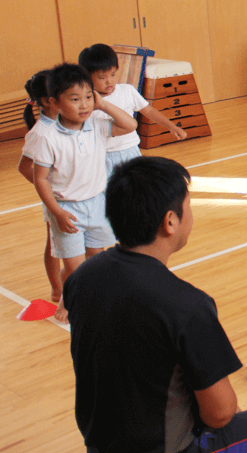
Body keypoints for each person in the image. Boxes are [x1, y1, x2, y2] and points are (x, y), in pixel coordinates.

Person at [66, 156, 247, 453]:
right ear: (170, 221)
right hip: (165, 451)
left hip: (100, 445)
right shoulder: (186, 305)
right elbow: (220, 414)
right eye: (189, 204)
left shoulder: (82, 278)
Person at [32, 63, 137, 322]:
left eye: (88, 97)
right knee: (76, 268)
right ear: (55, 101)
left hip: (97, 204)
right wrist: (56, 212)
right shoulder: (47, 136)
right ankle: (79, 307)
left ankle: (67, 303)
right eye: (75, 99)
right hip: (68, 210)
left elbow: (130, 124)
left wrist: (102, 105)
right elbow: (40, 179)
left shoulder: (97, 126)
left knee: (95, 261)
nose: (84, 105)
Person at [78, 43, 187, 176]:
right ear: (87, 77)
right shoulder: (86, 101)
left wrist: (171, 126)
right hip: (102, 156)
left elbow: (149, 111)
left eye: (112, 74)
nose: (109, 81)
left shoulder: (127, 91)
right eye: (102, 77)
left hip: (131, 151)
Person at [17, 70, 63, 303]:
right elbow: (25, 167)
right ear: (48, 100)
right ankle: (57, 289)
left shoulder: (71, 123)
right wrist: (49, 192)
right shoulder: (40, 133)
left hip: (79, 196)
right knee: (54, 243)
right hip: (57, 200)